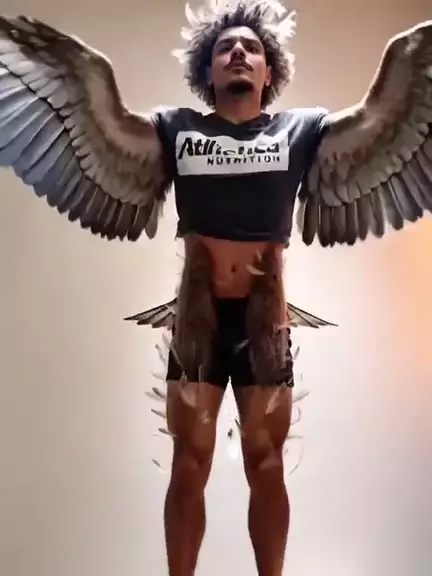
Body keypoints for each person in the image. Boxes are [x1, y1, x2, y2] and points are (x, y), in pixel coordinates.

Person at [0, 2, 430, 575]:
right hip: (196, 321)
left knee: (267, 462)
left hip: (265, 322)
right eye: (226, 47)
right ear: (207, 69)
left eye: (251, 47)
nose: (238, 53)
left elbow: (388, 107)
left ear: (269, 70)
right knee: (189, 462)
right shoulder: (173, 130)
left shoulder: (303, 132)